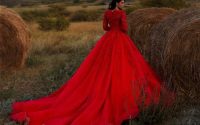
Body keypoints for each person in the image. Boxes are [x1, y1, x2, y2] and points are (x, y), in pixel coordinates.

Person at [9, 0, 176, 125]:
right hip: (120, 40)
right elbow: (125, 28)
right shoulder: (122, 14)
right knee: (125, 66)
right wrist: (121, 27)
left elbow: (105, 28)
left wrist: (112, 28)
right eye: (123, 1)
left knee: (101, 68)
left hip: (108, 40)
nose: (124, 3)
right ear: (118, 2)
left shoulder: (107, 13)